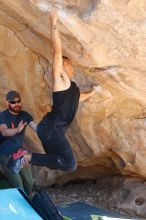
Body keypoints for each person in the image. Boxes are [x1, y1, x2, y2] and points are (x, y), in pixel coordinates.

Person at [7, 7, 97, 174]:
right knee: (70, 164)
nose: (71, 67)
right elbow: (57, 50)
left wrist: (92, 92)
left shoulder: (72, 90)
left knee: (55, 161)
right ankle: (25, 156)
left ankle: (23, 157)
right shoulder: (61, 81)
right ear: (65, 65)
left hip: (50, 129)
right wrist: (53, 21)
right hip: (51, 128)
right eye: (66, 64)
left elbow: (79, 99)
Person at [0, 90, 37, 196]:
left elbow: (34, 126)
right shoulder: (3, 116)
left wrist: (45, 131)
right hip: (5, 153)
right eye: (13, 102)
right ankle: (22, 205)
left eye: (18, 101)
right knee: (18, 184)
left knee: (29, 181)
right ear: (7, 103)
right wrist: (17, 129)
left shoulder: (25, 115)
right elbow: (4, 131)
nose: (16, 104)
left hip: (20, 152)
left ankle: (31, 203)